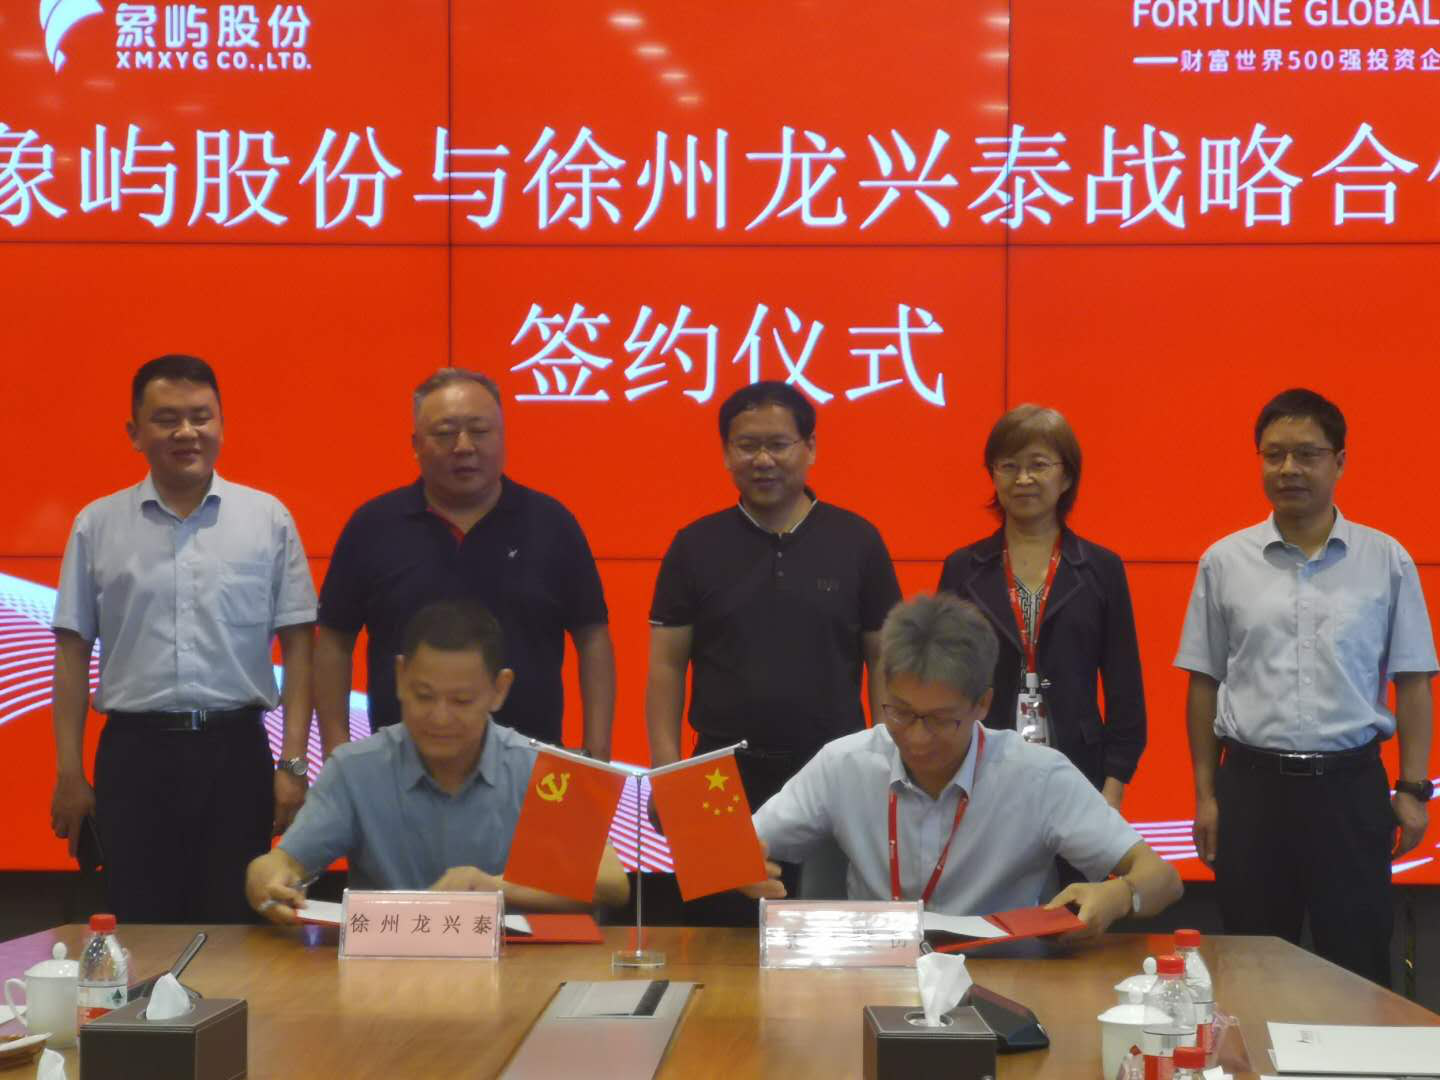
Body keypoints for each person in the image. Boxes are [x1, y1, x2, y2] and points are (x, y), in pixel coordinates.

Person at [1177, 388, 1436, 985]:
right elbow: (1203, 683)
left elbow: (1414, 682)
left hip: (1350, 790)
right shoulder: (1224, 560)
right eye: (1274, 455)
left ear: (1339, 461)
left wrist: (1413, 788)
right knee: (1251, 968)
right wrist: (1206, 796)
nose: (1288, 468)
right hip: (1251, 792)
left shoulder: (1386, 560)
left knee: (1358, 967)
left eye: (1306, 454)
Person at [50, 354, 316, 924]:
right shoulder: (97, 525)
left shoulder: (267, 519)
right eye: (167, 419)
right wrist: (69, 772)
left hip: (235, 754)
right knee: (139, 925)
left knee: (235, 924)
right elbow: (71, 652)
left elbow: (299, 646)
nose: (186, 432)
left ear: (222, 424)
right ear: (135, 433)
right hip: (134, 756)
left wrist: (293, 765)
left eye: (200, 416)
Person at [747, 593, 1181, 927]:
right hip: (875, 976)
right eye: (900, 712)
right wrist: (736, 868)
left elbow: (1163, 879)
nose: (916, 738)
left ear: (982, 704)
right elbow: (741, 845)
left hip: (1002, 976)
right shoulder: (845, 764)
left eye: (940, 720)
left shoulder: (1037, 775)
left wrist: (1120, 895)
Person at [246, 601, 629, 920]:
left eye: (461, 701)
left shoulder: (538, 769)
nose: (440, 718)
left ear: (499, 690)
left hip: (516, 969)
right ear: (400, 677)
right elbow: (279, 864)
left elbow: (612, 882)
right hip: (387, 973)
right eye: (424, 696)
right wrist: (267, 881)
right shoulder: (355, 770)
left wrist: (492, 887)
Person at [314, 368, 614, 759]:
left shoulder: (551, 523)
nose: (464, 446)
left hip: (529, 766)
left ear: (502, 437)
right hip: (397, 768)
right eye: (445, 433)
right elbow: (334, 642)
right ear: (416, 444)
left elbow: (592, 637)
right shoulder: (373, 526)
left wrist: (597, 752)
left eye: (479, 430)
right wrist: (336, 750)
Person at [646, 380, 902, 824]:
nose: (763, 460)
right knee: (721, 874)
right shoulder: (694, 546)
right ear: (726, 453)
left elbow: (883, 659)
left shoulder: (857, 541)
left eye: (778, 445)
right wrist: (668, 770)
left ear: (810, 447)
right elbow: (666, 667)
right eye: (747, 446)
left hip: (834, 769)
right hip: (721, 773)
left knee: (831, 876)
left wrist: (885, 758)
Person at [938, 405, 1145, 808]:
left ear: (1066, 476)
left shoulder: (1101, 569)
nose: (1023, 479)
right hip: (981, 768)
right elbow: (944, 680)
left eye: (1038, 465)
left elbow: (1125, 687)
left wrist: (1115, 781)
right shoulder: (963, 569)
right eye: (1009, 466)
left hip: (1080, 769)